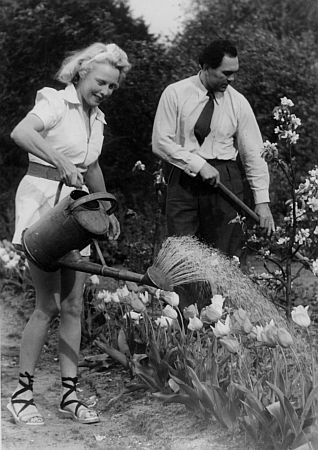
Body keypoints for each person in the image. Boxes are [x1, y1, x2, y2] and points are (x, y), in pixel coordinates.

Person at [8, 42, 131, 425]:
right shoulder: (55, 103)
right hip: (45, 207)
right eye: (100, 82)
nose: (105, 91)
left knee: (74, 305)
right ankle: (21, 396)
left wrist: (107, 208)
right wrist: (59, 160)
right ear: (80, 73)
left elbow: (90, 166)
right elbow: (20, 132)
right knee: (48, 305)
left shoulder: (97, 118)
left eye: (112, 86)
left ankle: (69, 394)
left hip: (77, 213)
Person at [152, 39, 275, 258]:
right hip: (182, 180)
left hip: (225, 181)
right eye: (226, 73)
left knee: (224, 255)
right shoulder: (175, 93)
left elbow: (254, 154)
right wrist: (198, 165)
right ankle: (185, 294)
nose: (232, 78)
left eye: (234, 72)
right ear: (206, 67)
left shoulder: (238, 102)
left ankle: (220, 295)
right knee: (183, 254)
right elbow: (161, 142)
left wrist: (262, 201)